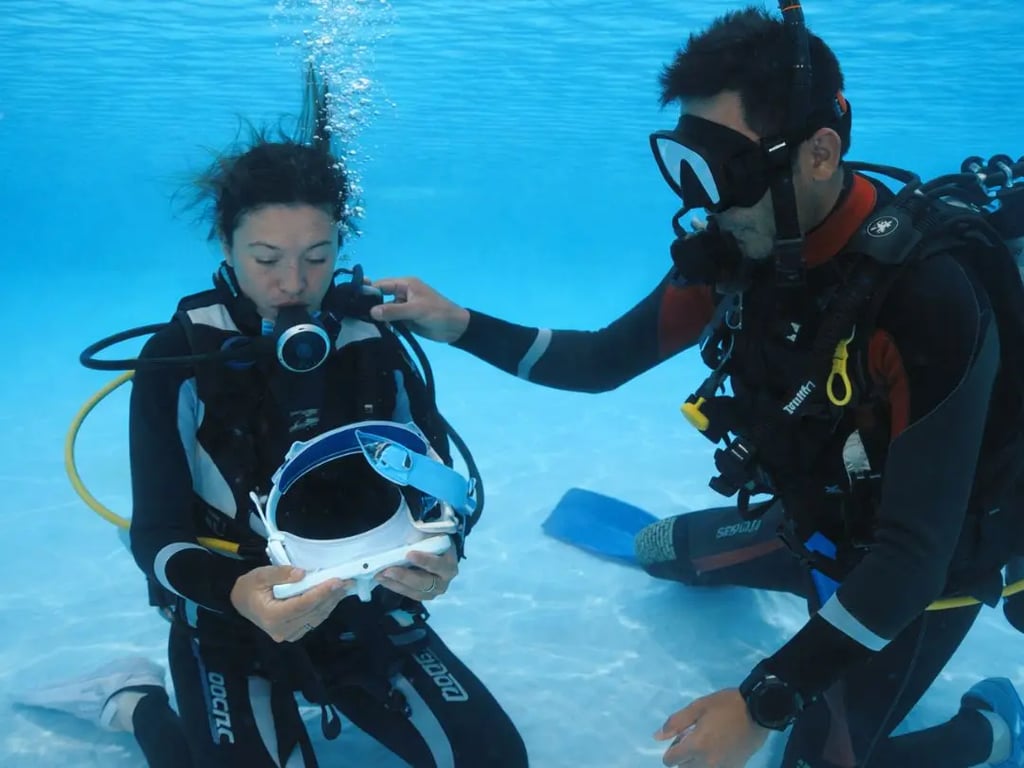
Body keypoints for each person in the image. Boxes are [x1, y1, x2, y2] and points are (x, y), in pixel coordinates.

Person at [366, 5, 1024, 768]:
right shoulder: (746, 247)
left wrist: (763, 698)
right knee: (659, 551)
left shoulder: (926, 298)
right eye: (686, 164)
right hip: (816, 524)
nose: (703, 200)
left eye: (725, 170)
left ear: (818, 153)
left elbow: (911, 559)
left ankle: (990, 731)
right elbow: (601, 361)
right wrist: (458, 323)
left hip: (922, 572)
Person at [22, 67, 528, 768]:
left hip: (363, 603)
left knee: (495, 761)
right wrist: (235, 593)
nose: (293, 284)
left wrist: (444, 553)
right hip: (229, 615)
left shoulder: (373, 339)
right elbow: (156, 536)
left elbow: (435, 489)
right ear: (225, 246)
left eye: (318, 257)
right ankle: (133, 699)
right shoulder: (179, 358)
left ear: (340, 250)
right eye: (266, 259)